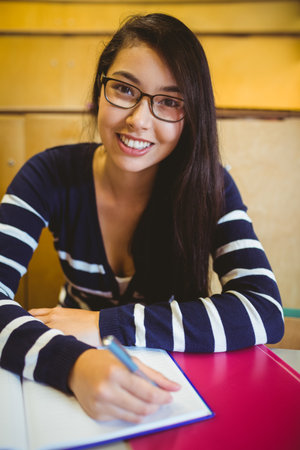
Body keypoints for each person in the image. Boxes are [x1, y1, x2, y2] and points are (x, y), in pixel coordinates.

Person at [0, 13, 284, 422]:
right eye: (124, 89)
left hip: (175, 383)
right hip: (64, 359)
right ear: (100, 91)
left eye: (169, 101)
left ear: (192, 116)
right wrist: (74, 365)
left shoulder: (210, 186)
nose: (138, 119)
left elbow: (264, 311)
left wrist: (102, 325)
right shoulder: (47, 175)